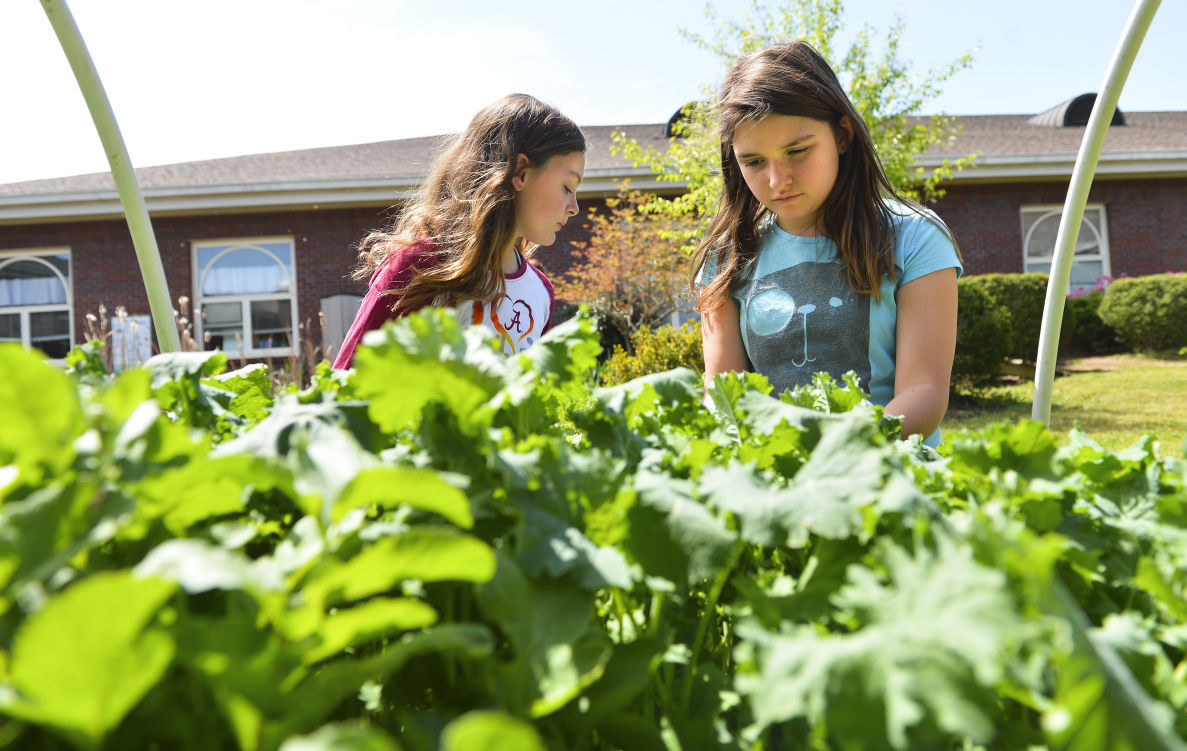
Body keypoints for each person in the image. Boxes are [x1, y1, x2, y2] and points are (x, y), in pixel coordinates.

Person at [693, 42, 963, 447]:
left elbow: (924, 395)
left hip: (893, 485)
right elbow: (723, 399)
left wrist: (831, 453)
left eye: (797, 151)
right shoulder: (726, 258)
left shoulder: (915, 237)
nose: (777, 179)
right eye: (753, 161)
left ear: (842, 134)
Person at [332, 93, 585, 369]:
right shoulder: (419, 267)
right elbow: (345, 385)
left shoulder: (540, 293)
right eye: (567, 187)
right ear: (521, 173)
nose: (574, 207)